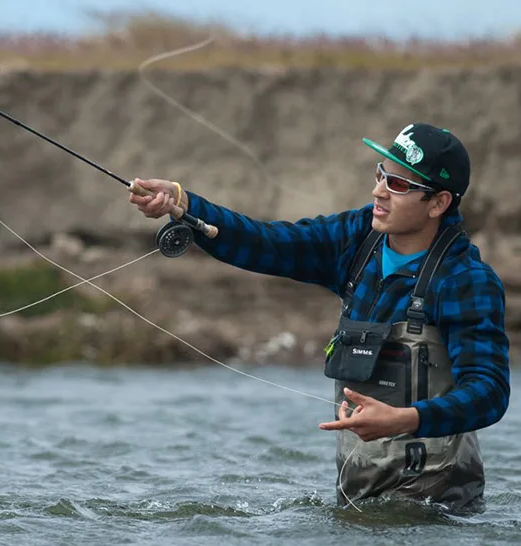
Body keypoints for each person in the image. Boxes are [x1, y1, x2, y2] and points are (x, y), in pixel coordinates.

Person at [129, 122, 511, 512]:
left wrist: (406, 419)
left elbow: (490, 392)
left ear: (438, 203)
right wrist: (186, 204)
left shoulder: (466, 280)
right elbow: (267, 243)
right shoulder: (357, 238)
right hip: (357, 499)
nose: (379, 191)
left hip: (441, 507)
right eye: (380, 174)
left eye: (398, 185)